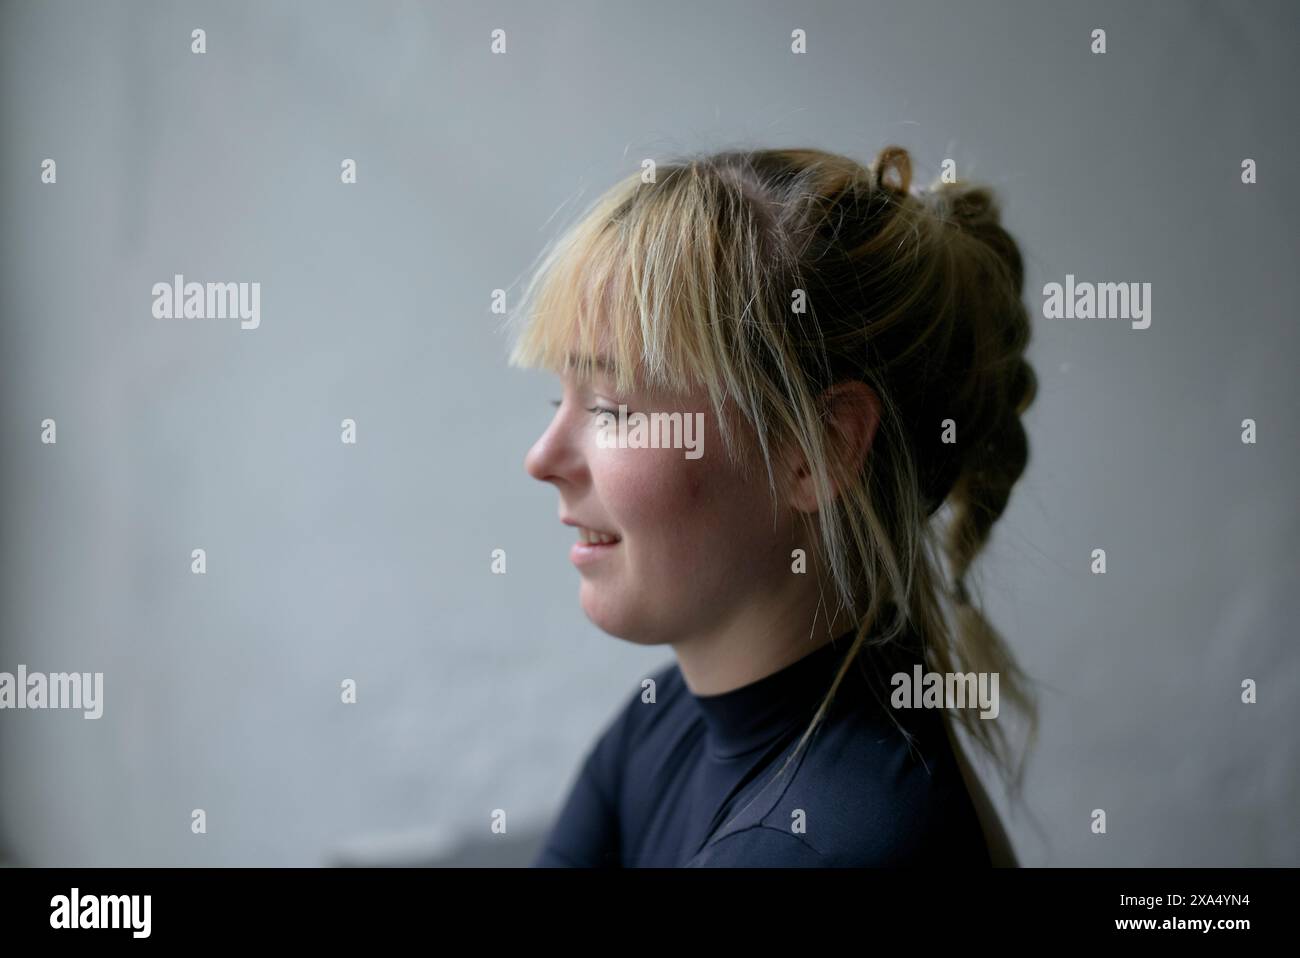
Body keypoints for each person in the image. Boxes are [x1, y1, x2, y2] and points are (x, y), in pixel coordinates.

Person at [508, 144, 1039, 867]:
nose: (542, 460)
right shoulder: (663, 725)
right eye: (558, 397)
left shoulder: (815, 845)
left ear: (817, 447)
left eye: (612, 408)